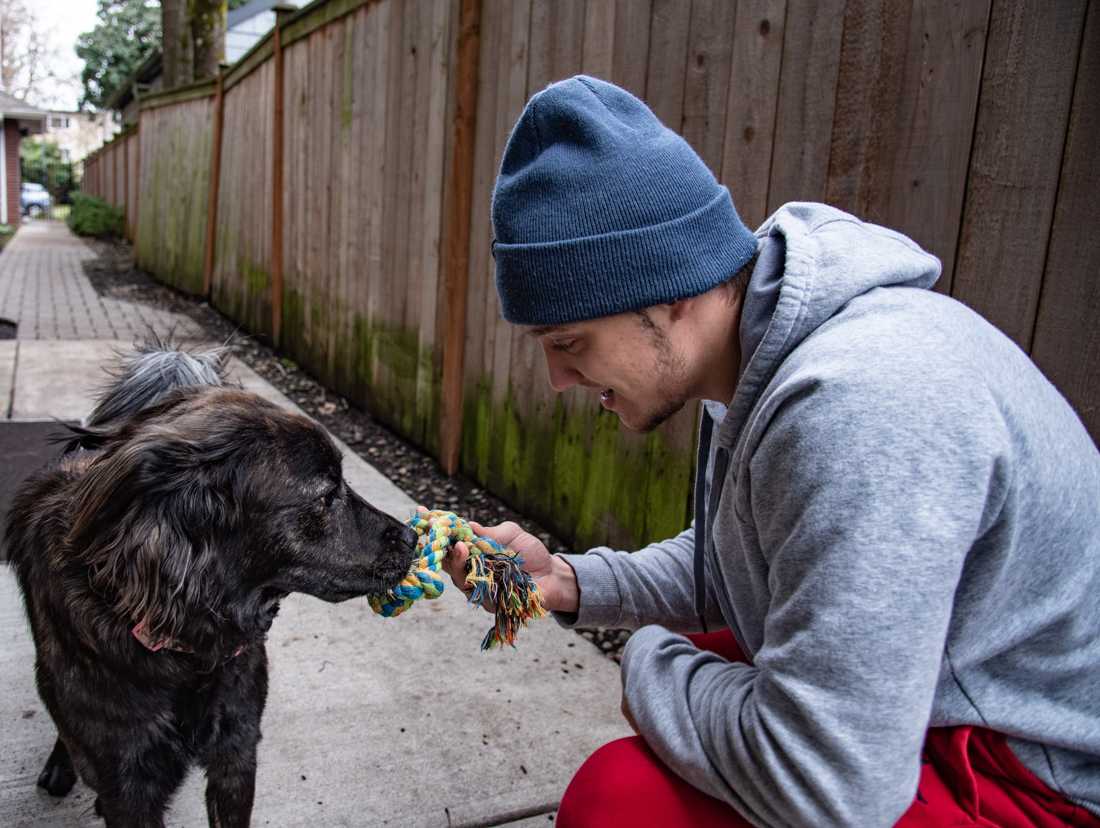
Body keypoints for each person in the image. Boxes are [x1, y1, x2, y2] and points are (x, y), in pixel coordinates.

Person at [441, 76, 1100, 827]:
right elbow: (734, 563)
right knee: (719, 671)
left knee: (619, 802)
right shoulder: (762, 357)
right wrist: (564, 581)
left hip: (1039, 776)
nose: (558, 379)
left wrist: (648, 666)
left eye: (569, 342)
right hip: (946, 704)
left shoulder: (861, 406)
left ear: (670, 292)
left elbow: (829, 788)